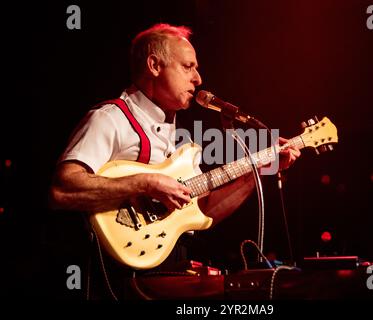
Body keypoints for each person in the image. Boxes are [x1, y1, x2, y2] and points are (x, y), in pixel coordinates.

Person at [49, 23, 300, 299]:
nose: (198, 78)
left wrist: (257, 171)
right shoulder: (111, 119)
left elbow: (203, 210)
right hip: (115, 276)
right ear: (155, 65)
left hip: (165, 269)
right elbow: (62, 188)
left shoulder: (177, 137)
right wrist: (145, 182)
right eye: (187, 66)